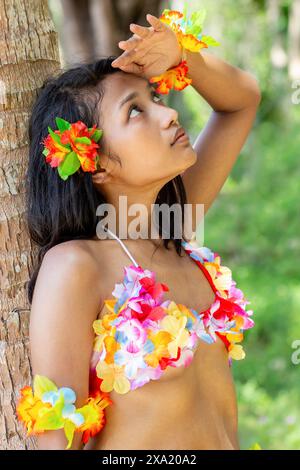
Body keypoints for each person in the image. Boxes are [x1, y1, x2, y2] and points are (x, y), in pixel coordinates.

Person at [16, 10, 261, 450]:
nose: (167, 115)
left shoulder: (175, 230)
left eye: (155, 98)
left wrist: (182, 58)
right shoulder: (77, 266)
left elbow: (242, 99)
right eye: (136, 112)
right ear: (98, 164)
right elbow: (57, 445)